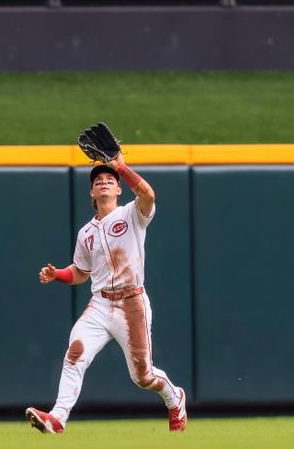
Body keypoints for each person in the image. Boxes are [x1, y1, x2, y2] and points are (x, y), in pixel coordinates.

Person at [25, 152, 187, 434]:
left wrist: (121, 167)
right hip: (100, 304)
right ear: (91, 191)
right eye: (98, 180)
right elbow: (80, 272)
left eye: (109, 180)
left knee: (143, 377)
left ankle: (175, 398)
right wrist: (58, 275)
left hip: (131, 302)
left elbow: (148, 194)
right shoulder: (86, 232)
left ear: (118, 188)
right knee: (75, 352)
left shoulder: (132, 213)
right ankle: (57, 417)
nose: (103, 182)